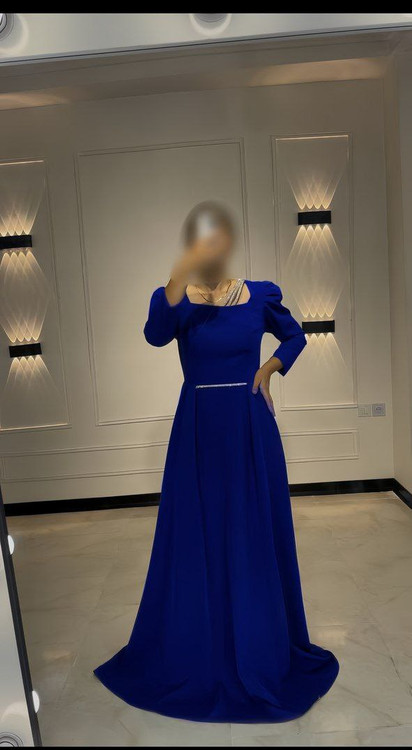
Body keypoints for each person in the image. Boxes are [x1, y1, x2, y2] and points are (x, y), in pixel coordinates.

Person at [94, 201, 339, 722]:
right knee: (199, 533)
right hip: (199, 430)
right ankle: (200, 644)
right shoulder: (174, 298)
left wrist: (269, 369)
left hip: (250, 425)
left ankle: (259, 642)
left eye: (218, 239)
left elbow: (295, 335)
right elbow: (155, 334)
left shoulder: (260, 293)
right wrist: (179, 273)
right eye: (201, 240)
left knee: (252, 532)